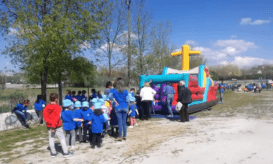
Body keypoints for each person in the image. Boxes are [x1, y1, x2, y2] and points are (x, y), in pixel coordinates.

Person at [43, 93, 73, 158]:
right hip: (57, 126)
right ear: (56, 99)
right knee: (62, 138)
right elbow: (57, 118)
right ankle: (66, 152)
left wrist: (50, 124)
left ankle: (53, 153)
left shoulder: (46, 107)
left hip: (49, 126)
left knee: (51, 138)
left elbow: (45, 117)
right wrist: (53, 125)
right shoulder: (57, 107)